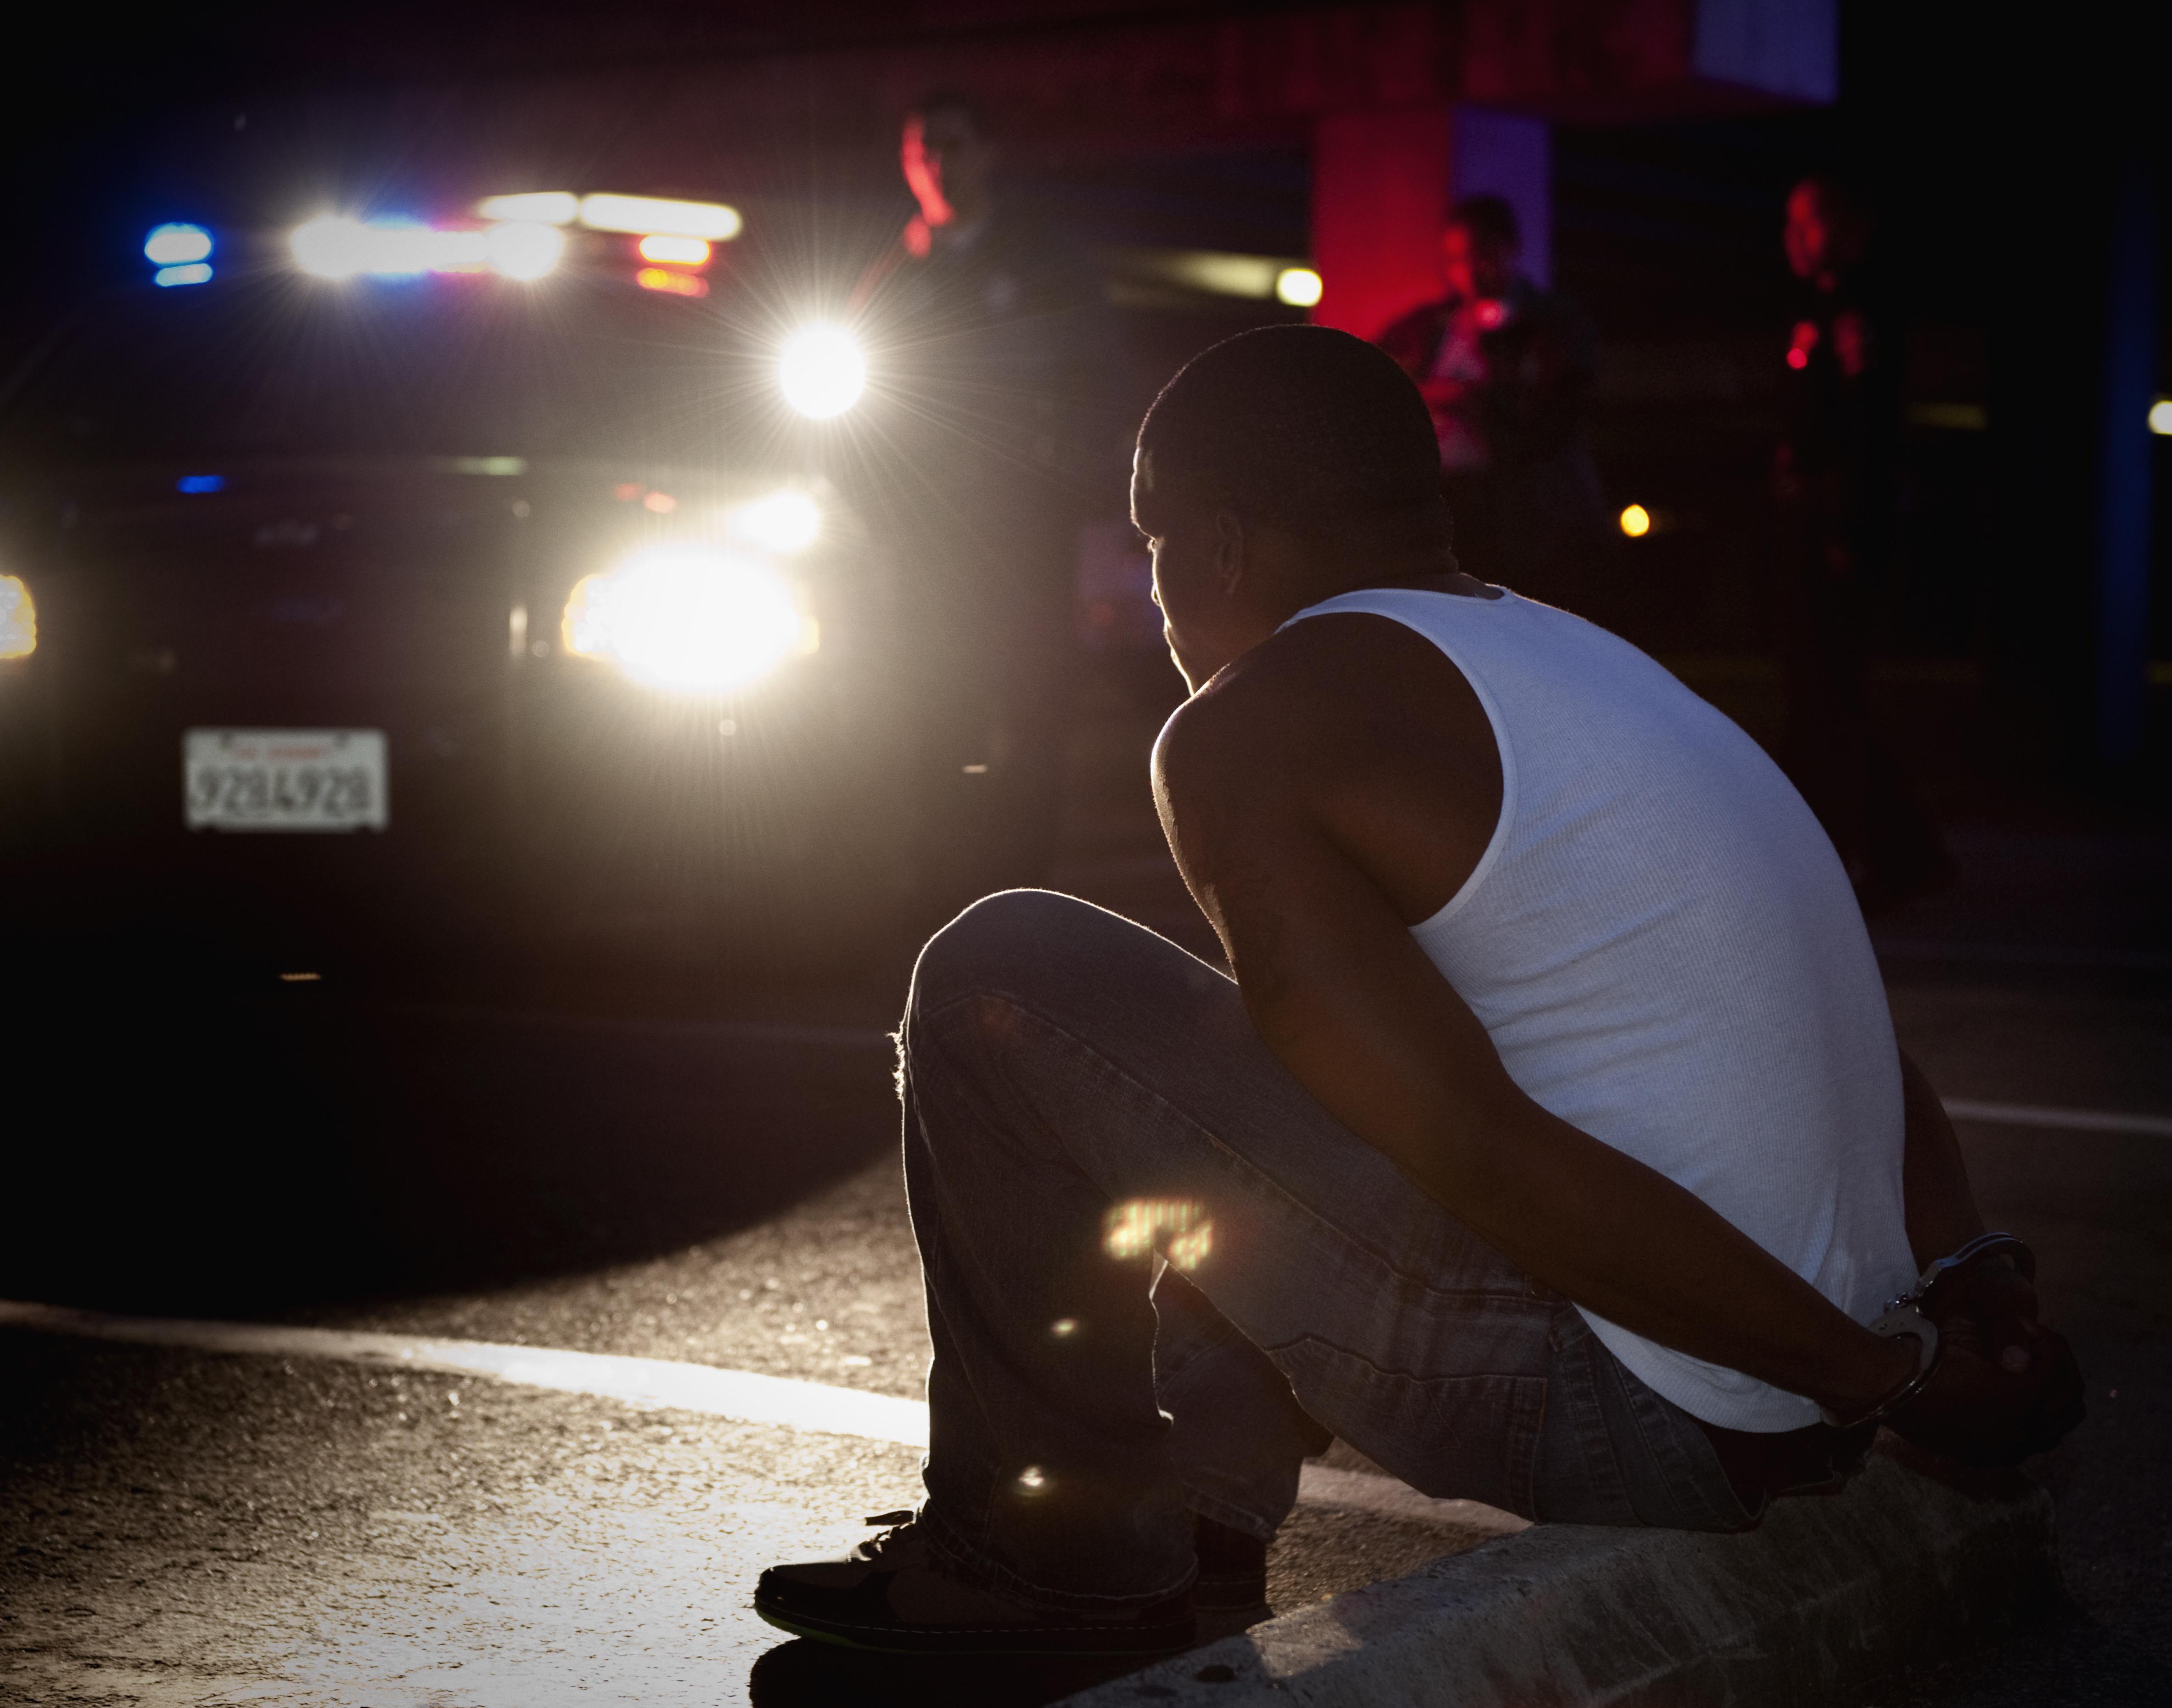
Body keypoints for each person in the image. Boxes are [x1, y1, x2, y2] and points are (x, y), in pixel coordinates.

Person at [754, 328, 2082, 1657]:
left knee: (1000, 969)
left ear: (1216, 548)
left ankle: (1044, 1553)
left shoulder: (1250, 724)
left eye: (1151, 544)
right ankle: (1206, 1513)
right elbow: (1859, 1035)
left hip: (1669, 1406)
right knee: (1287, 1042)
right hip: (1795, 1375)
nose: (1153, 595)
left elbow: (1465, 1142)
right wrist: (1959, 1286)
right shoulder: (1594, 670)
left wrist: (1879, 1381)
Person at [850, 91, 1118, 899]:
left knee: (1029, 704)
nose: (935, 163)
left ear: (988, 153)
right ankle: (941, 885)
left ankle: (1023, 887)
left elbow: (1097, 374)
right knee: (933, 701)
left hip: (1023, 523)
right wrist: (878, 504)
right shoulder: (894, 273)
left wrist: (1065, 474)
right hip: (930, 531)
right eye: (920, 148)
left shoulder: (1041, 260)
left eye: (953, 145)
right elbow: (852, 403)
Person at [1773, 175, 1954, 912]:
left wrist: (1845, 527)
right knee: (1816, 693)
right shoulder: (1814, 307)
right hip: (1811, 524)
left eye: (1810, 222)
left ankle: (1881, 854)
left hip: (1835, 529)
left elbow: (1867, 431)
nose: (1795, 237)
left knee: (1830, 696)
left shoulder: (1855, 310)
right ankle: (1881, 852)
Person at [1375, 194, 1605, 600]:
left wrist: (1477, 400)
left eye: (1479, 255)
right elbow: (1376, 377)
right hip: (1445, 499)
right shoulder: (1430, 327)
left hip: (1521, 507)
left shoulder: (1551, 325)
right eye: (1454, 260)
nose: (1467, 272)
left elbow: (1556, 417)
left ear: (1509, 249)